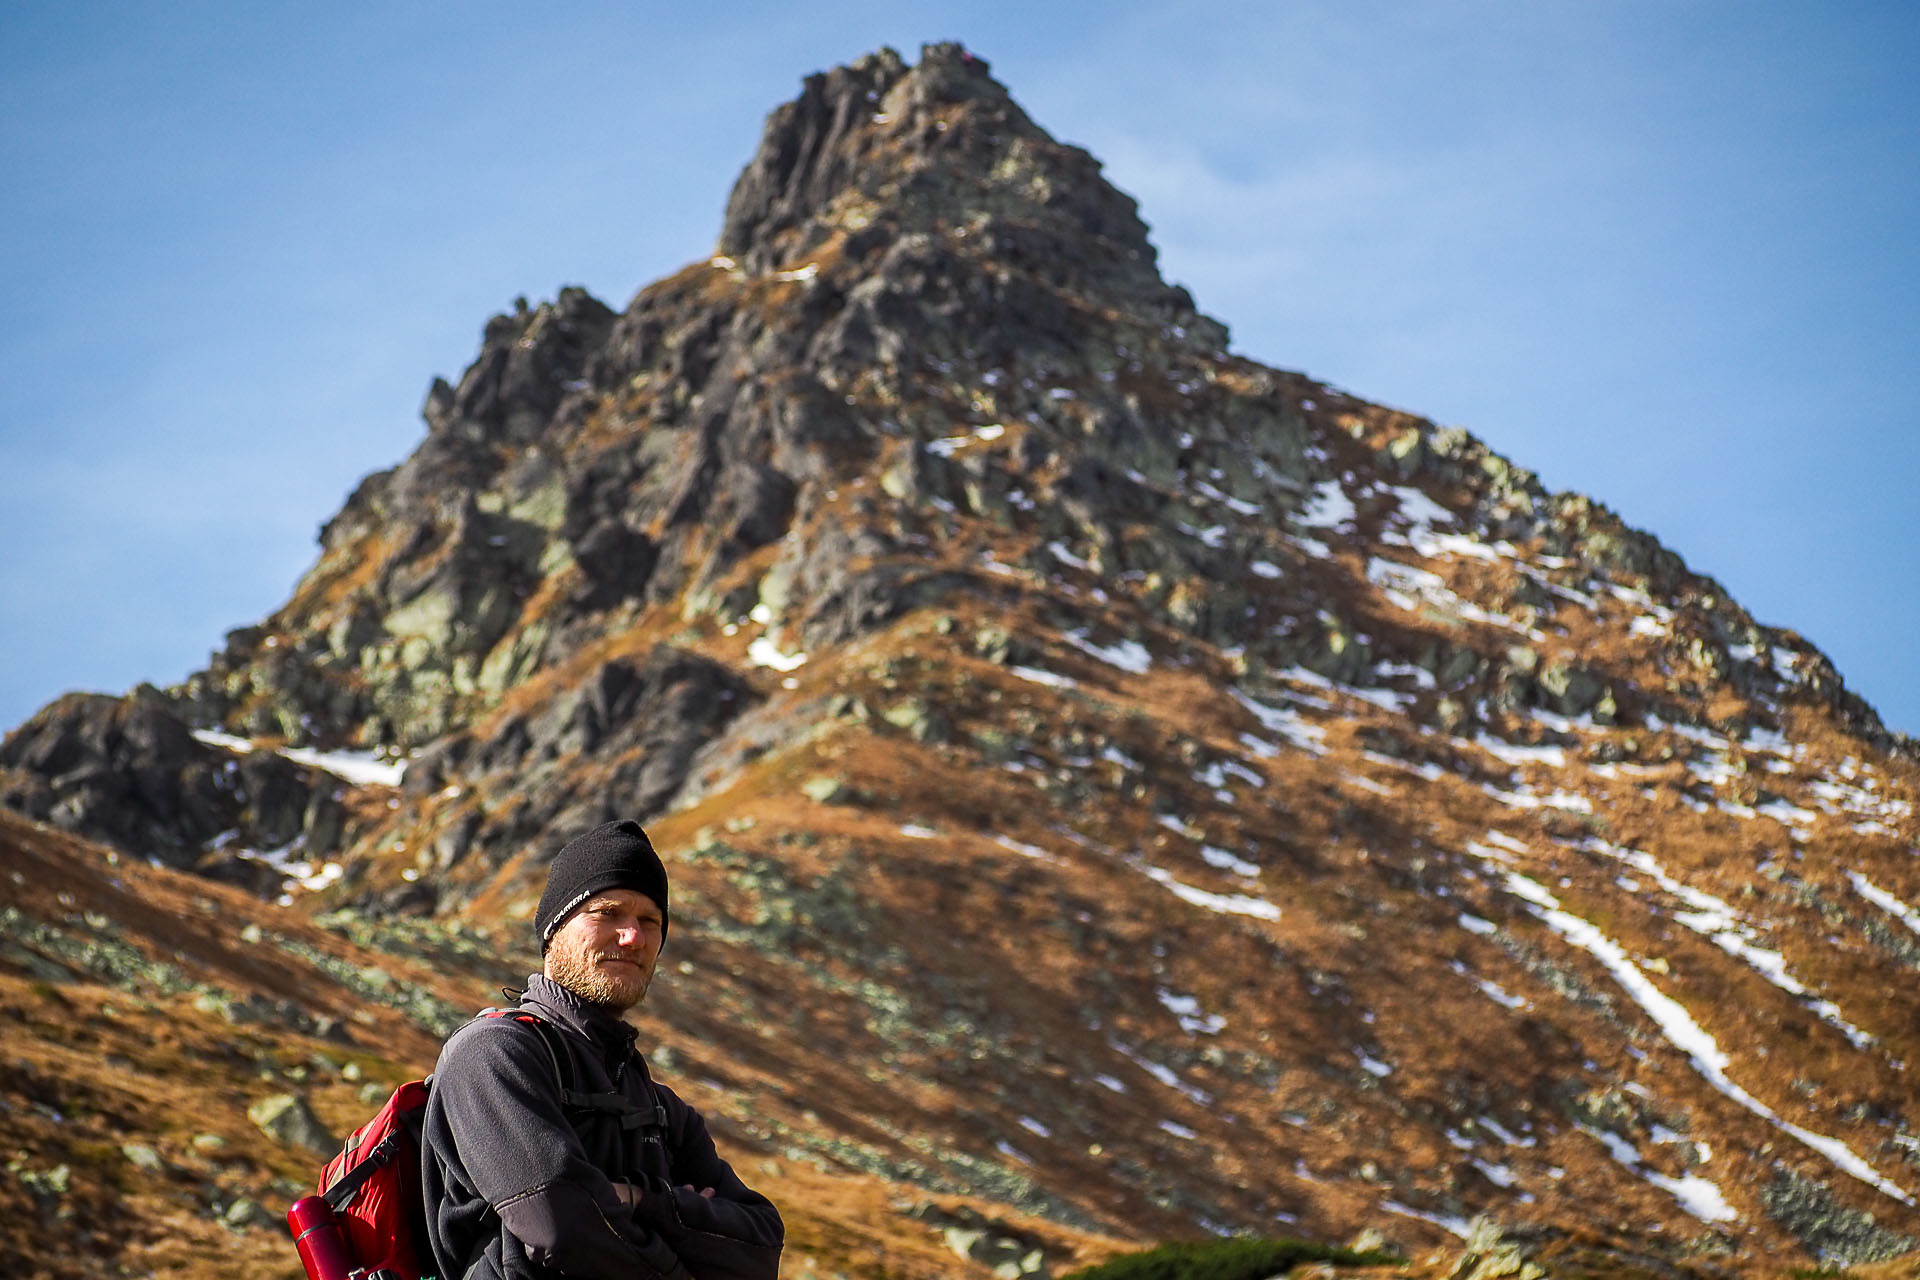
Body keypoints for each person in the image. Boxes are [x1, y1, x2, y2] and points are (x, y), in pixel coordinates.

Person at [421, 819, 784, 1280]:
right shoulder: (494, 1054)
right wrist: (687, 1227)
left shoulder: (659, 1105)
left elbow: (762, 1244)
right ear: (555, 931)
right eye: (608, 913)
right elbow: (559, 1227)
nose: (632, 937)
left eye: (649, 921)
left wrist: (639, 1200)